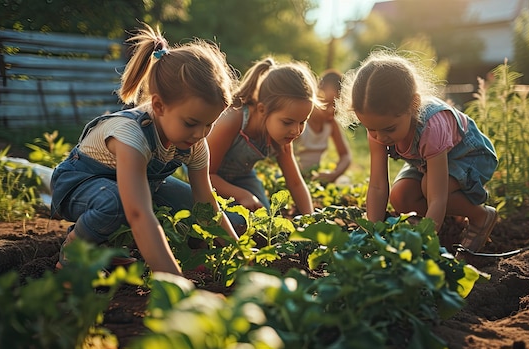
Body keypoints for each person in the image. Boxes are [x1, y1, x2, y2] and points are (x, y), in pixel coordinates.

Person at [50, 24, 239, 277]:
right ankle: (73, 255)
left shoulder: (195, 142)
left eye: (209, 124)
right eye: (191, 123)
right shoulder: (132, 135)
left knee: (192, 205)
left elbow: (207, 204)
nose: (200, 134)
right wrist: (176, 283)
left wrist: (241, 258)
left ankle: (109, 247)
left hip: (135, 185)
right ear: (159, 106)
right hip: (80, 184)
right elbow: (139, 214)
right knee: (116, 203)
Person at [335, 49, 499, 254]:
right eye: (370, 129)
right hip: (428, 163)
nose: (380, 137)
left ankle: (480, 217)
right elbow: (377, 185)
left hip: (471, 157)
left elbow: (437, 197)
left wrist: (424, 245)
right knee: (400, 197)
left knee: (427, 187)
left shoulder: (432, 126)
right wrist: (371, 236)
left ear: (413, 105)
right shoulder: (379, 129)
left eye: (389, 129)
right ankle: (451, 218)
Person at [206, 57, 319, 227]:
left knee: (264, 224)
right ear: (262, 109)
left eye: (302, 122)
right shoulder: (233, 120)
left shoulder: (282, 138)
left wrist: (311, 222)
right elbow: (207, 174)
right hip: (206, 176)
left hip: (242, 177)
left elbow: (295, 183)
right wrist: (241, 195)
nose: (296, 131)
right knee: (230, 223)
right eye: (288, 122)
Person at [294, 68, 351, 183]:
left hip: (314, 177)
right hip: (293, 176)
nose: (331, 110)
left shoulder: (331, 124)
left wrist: (334, 174)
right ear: (315, 96)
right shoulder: (301, 121)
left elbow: (346, 155)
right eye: (327, 103)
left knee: (344, 181)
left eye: (336, 105)